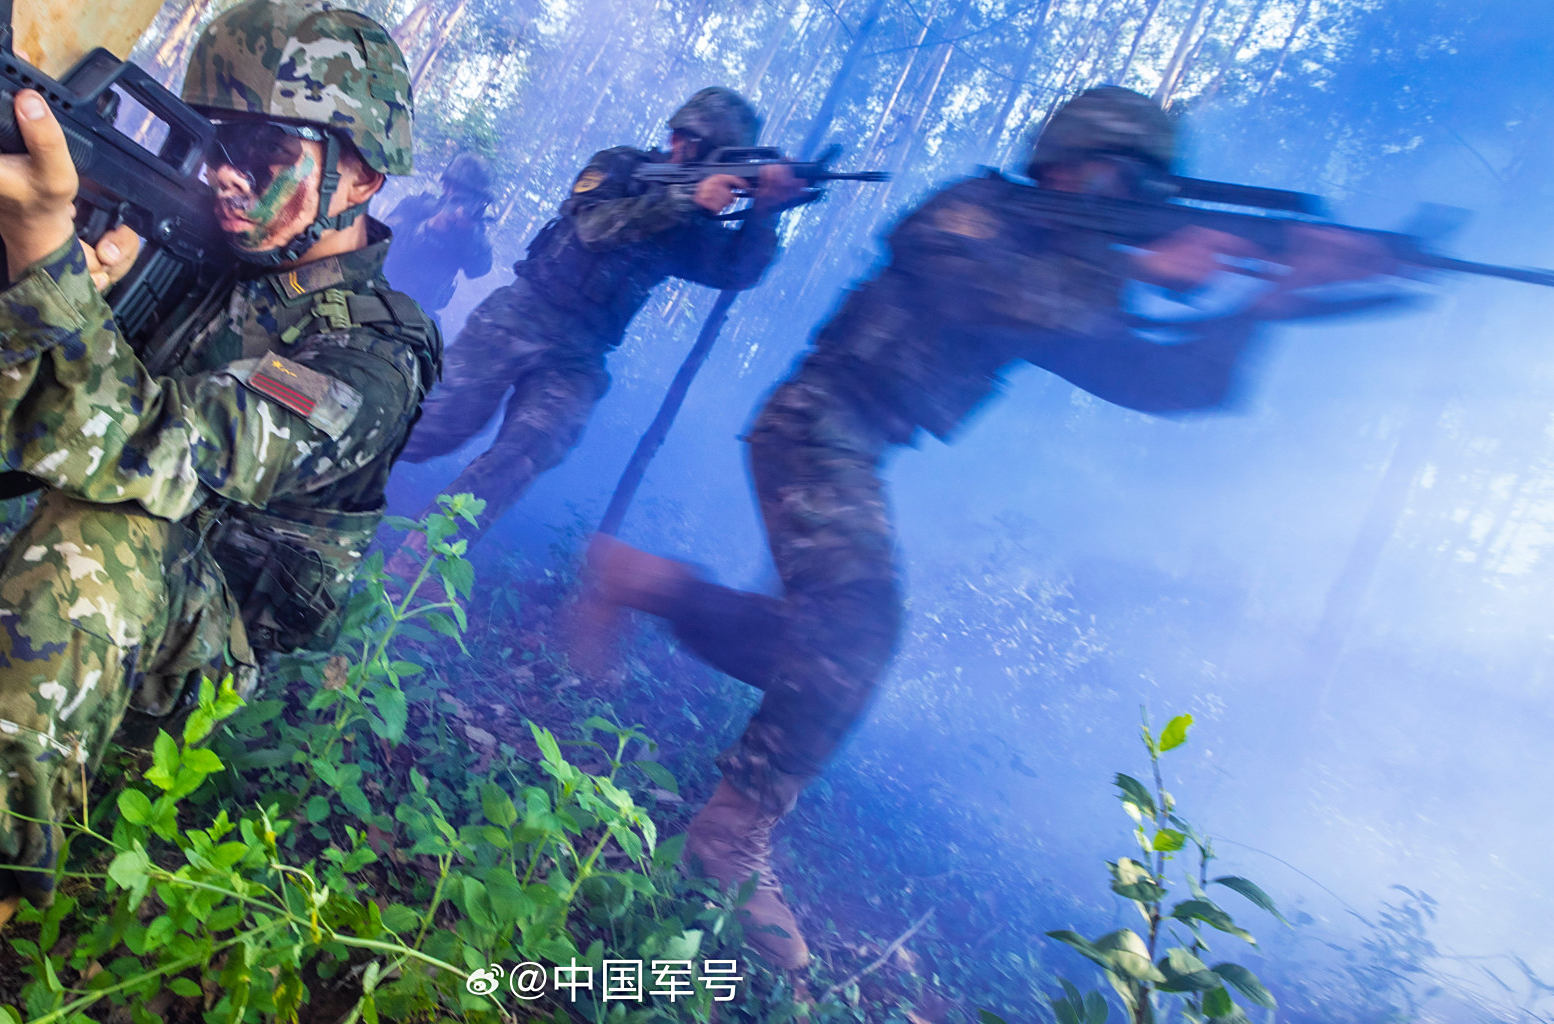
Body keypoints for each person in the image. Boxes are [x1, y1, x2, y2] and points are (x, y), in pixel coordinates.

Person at [571, 85, 1400, 972]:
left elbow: (1166, 383)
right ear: (1069, 164)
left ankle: (635, 580)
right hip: (819, 415)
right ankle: (728, 835)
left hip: (859, 437)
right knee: (857, 631)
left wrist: (1267, 303)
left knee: (812, 653)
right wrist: (1147, 269)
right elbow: (974, 280)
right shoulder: (978, 208)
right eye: (1123, 180)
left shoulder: (1073, 274)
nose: (1133, 207)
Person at [0, 0, 440, 1024]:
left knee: (102, 534)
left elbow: (143, 456)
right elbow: (30, 427)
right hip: (81, 586)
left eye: (267, 146)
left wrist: (45, 244)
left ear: (360, 176)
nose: (227, 171)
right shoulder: (212, 258)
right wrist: (50, 269)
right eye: (219, 140)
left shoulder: (369, 352)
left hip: (192, 645)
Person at [392, 87, 804, 563]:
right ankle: (324, 465)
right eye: (682, 136)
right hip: (522, 315)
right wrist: (685, 199)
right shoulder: (621, 167)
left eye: (694, 143)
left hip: (581, 354)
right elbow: (594, 229)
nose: (679, 146)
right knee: (434, 427)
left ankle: (420, 560)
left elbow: (734, 271)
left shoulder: (696, 222)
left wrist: (765, 214)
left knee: (532, 448)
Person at [382, 150, 496, 316]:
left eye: (472, 197)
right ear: (445, 186)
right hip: (382, 292)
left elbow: (479, 269)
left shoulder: (471, 230)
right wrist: (426, 228)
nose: (463, 200)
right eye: (459, 190)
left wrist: (469, 234)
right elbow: (381, 241)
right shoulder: (415, 206)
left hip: (421, 311)